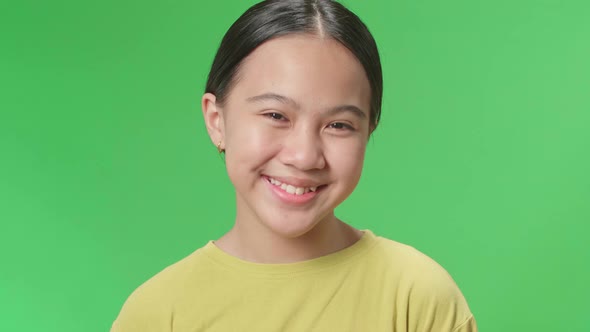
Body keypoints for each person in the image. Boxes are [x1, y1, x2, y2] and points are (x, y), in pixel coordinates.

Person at [111, 0, 477, 331]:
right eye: (275, 115)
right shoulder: (158, 314)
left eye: (339, 125)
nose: (304, 156)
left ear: (368, 132)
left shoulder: (417, 299)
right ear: (216, 120)